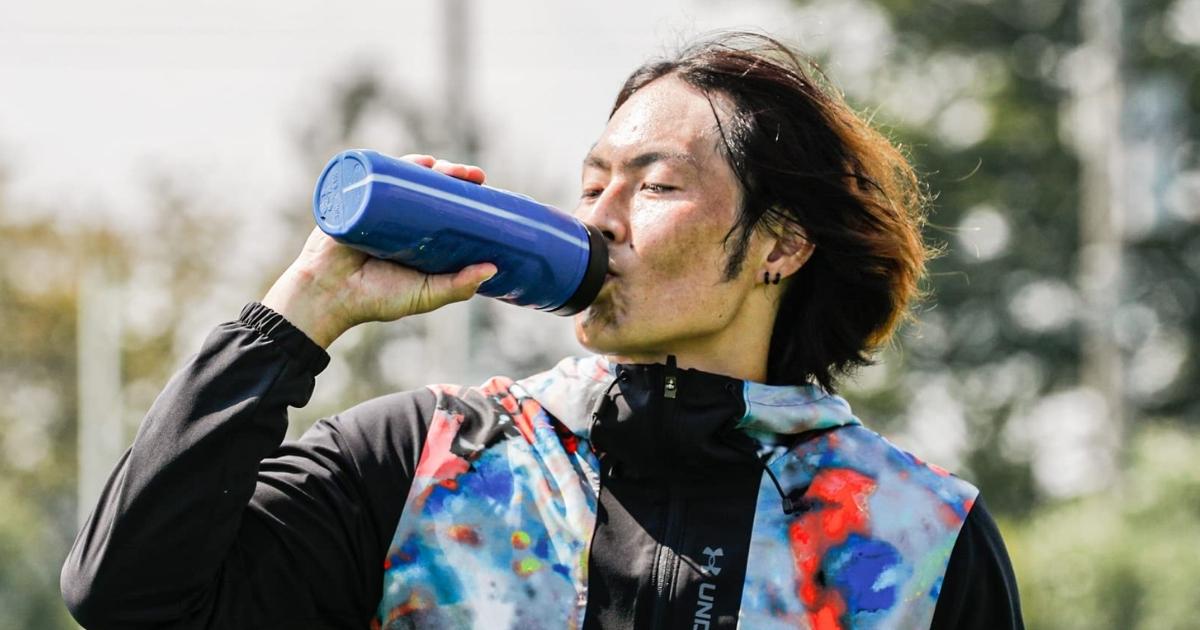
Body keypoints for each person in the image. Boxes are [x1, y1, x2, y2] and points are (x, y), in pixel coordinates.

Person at [61, 33, 1023, 629]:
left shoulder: (919, 536)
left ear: (781, 245)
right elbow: (128, 596)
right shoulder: (426, 459)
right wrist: (301, 307)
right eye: (591, 181)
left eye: (654, 186)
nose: (600, 217)